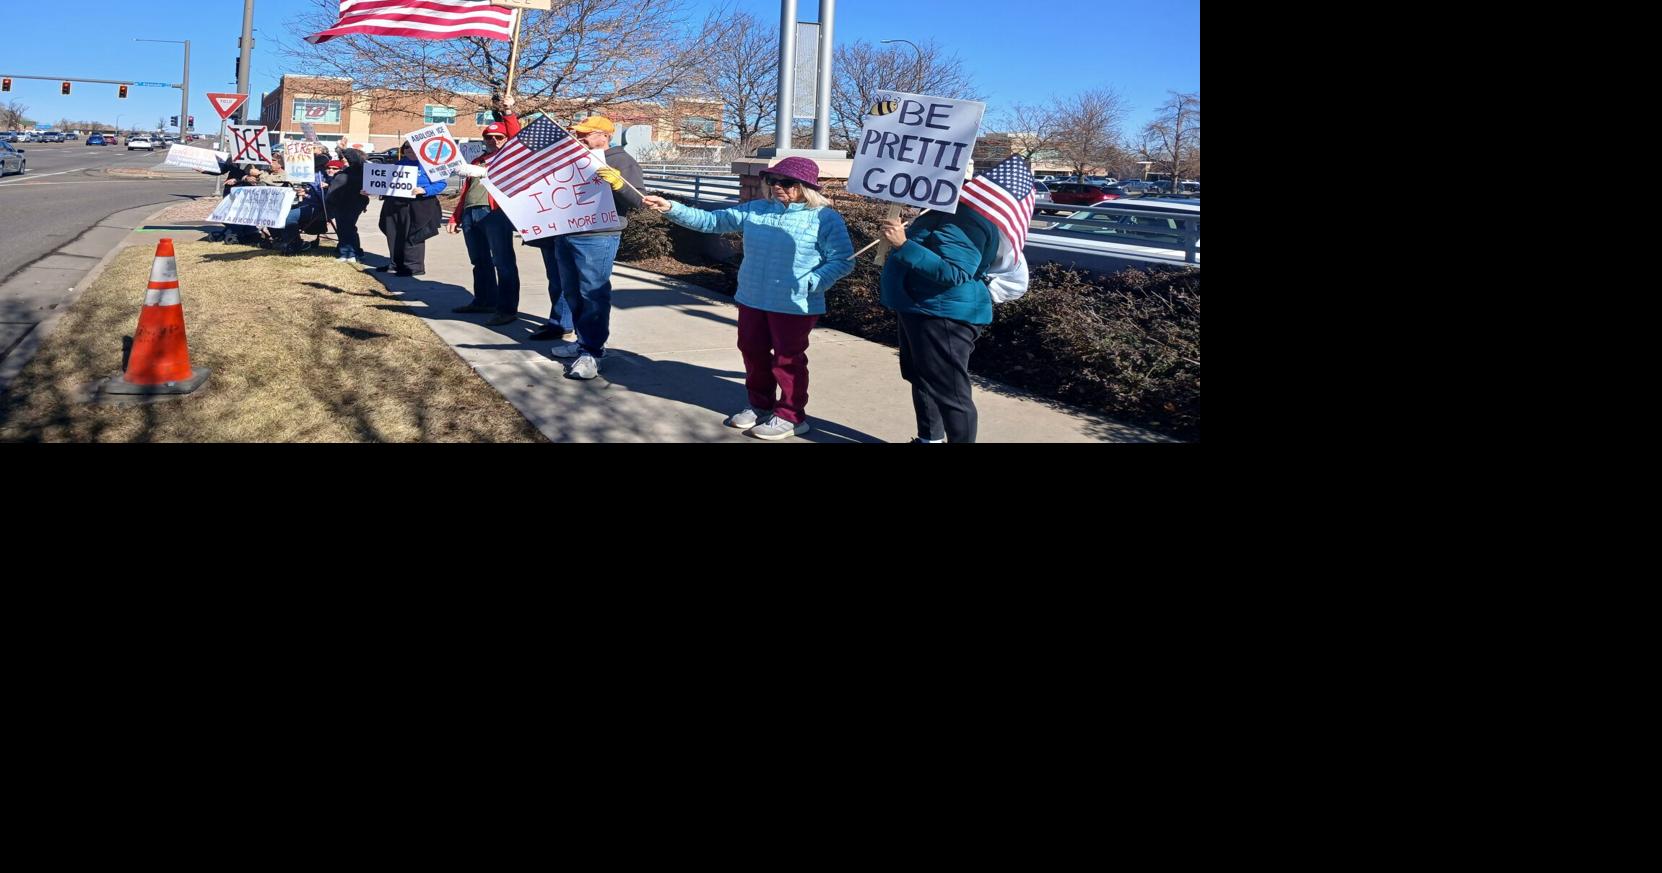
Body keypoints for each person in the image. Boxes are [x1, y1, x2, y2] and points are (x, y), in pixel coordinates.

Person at [644, 157, 854, 440]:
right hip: (752, 297)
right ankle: (760, 405)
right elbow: (712, 221)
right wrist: (671, 208)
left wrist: (812, 282)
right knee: (752, 351)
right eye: (772, 181)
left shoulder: (824, 218)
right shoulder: (756, 209)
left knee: (788, 360)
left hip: (795, 303)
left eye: (786, 182)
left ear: (805, 187)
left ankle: (791, 416)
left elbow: (842, 260)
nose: (777, 187)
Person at [525, 115, 644, 377]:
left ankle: (593, 352)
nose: (579, 138)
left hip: (598, 235)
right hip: (566, 232)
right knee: (572, 292)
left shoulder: (621, 160)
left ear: (605, 135)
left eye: (586, 134)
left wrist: (618, 184)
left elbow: (638, 200)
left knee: (593, 294)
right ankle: (583, 341)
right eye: (578, 133)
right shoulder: (574, 158)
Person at [876, 205, 1001, 443]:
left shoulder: (964, 217)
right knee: (922, 378)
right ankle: (929, 439)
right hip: (919, 307)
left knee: (951, 393)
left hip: (944, 315)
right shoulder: (939, 211)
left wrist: (903, 244)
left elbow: (955, 272)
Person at [445, 98, 526, 326]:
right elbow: (466, 191)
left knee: (503, 262)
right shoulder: (477, 160)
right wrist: (455, 216)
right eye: (489, 137)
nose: (494, 140)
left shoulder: (510, 157)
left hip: (495, 214)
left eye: (499, 137)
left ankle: (507, 309)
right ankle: (484, 300)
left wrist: (508, 111)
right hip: (471, 214)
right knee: (479, 261)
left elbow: (516, 135)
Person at [376, 142, 447, 276]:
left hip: (420, 203)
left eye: (413, 147)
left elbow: (441, 184)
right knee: (394, 233)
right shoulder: (399, 164)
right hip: (396, 203)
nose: (409, 149)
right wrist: (371, 190)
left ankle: (413, 267)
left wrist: (424, 190)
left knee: (414, 235)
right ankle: (395, 264)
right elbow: (387, 183)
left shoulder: (430, 165)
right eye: (406, 147)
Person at [326, 153, 370, 263]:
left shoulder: (351, 173)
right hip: (349, 204)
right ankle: (356, 252)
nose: (342, 160)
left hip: (348, 204)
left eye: (345, 158)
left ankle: (348, 254)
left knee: (345, 228)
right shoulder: (358, 171)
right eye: (342, 158)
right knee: (348, 228)